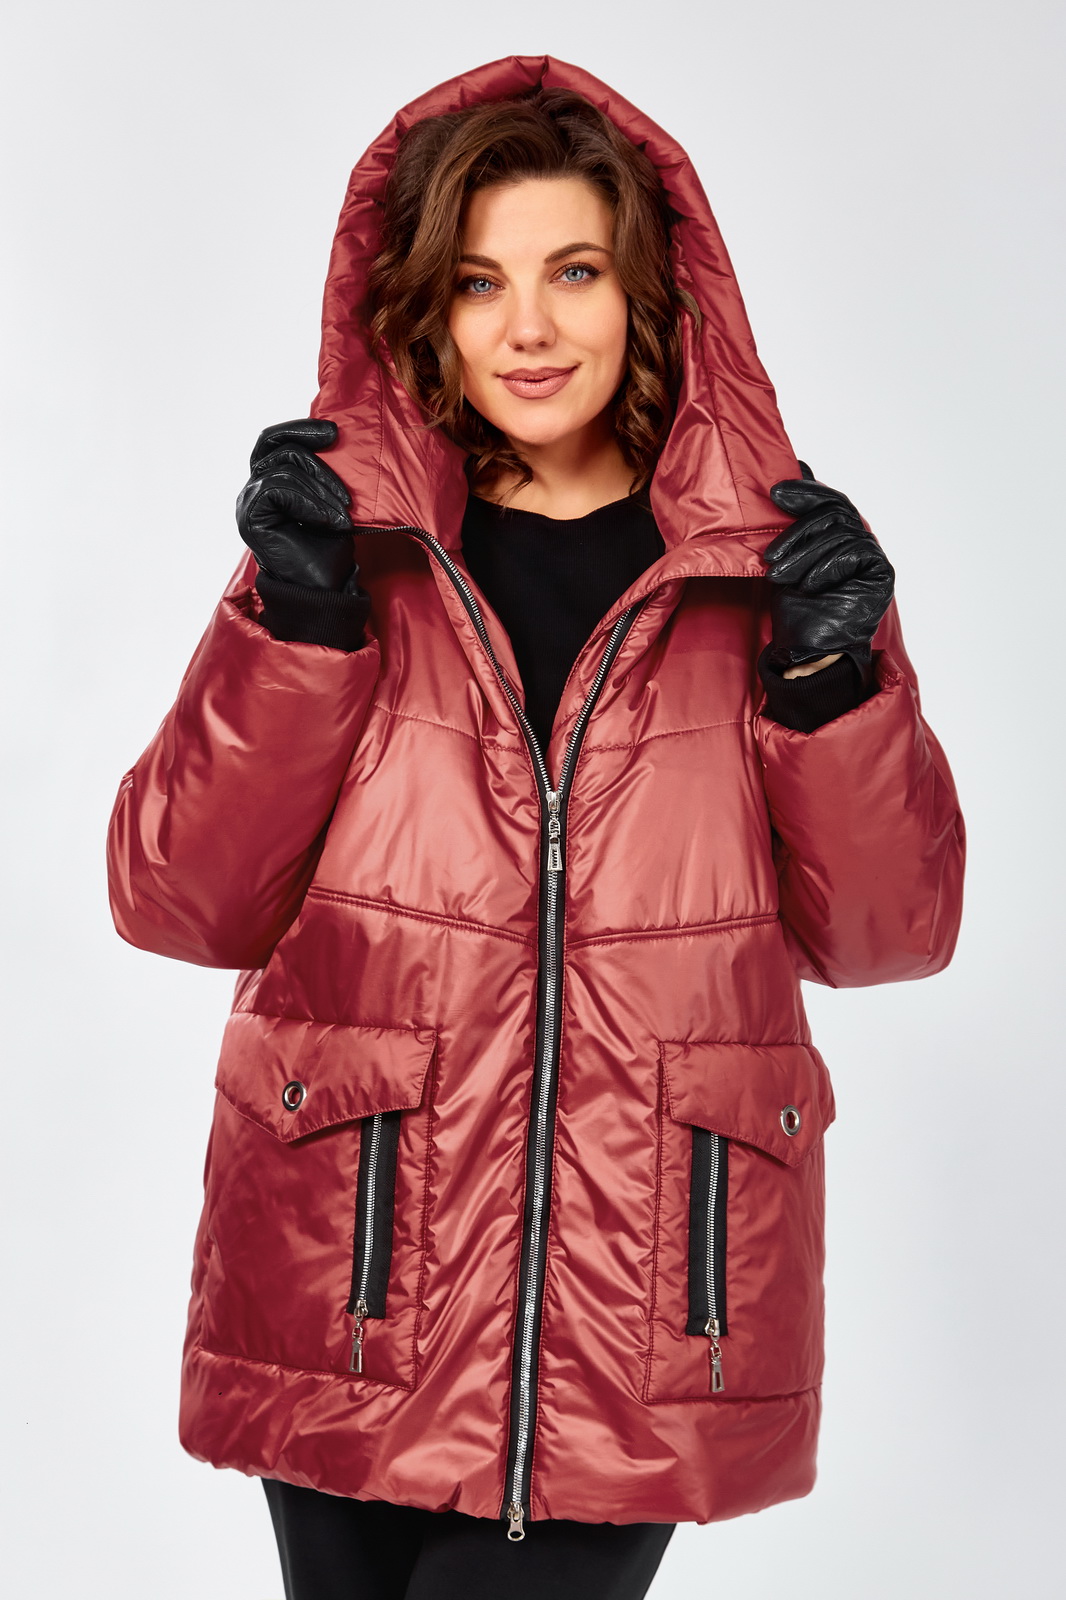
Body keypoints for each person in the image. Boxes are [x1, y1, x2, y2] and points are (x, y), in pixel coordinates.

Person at [106, 54, 966, 1600]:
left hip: (642, 1303)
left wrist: (836, 686)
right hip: (348, 1275)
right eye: (477, 281)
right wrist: (294, 626)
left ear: (647, 290)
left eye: (572, 271)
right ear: (421, 311)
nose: (526, 328)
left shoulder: (767, 580)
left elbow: (889, 934)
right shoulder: (346, 559)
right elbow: (179, 902)